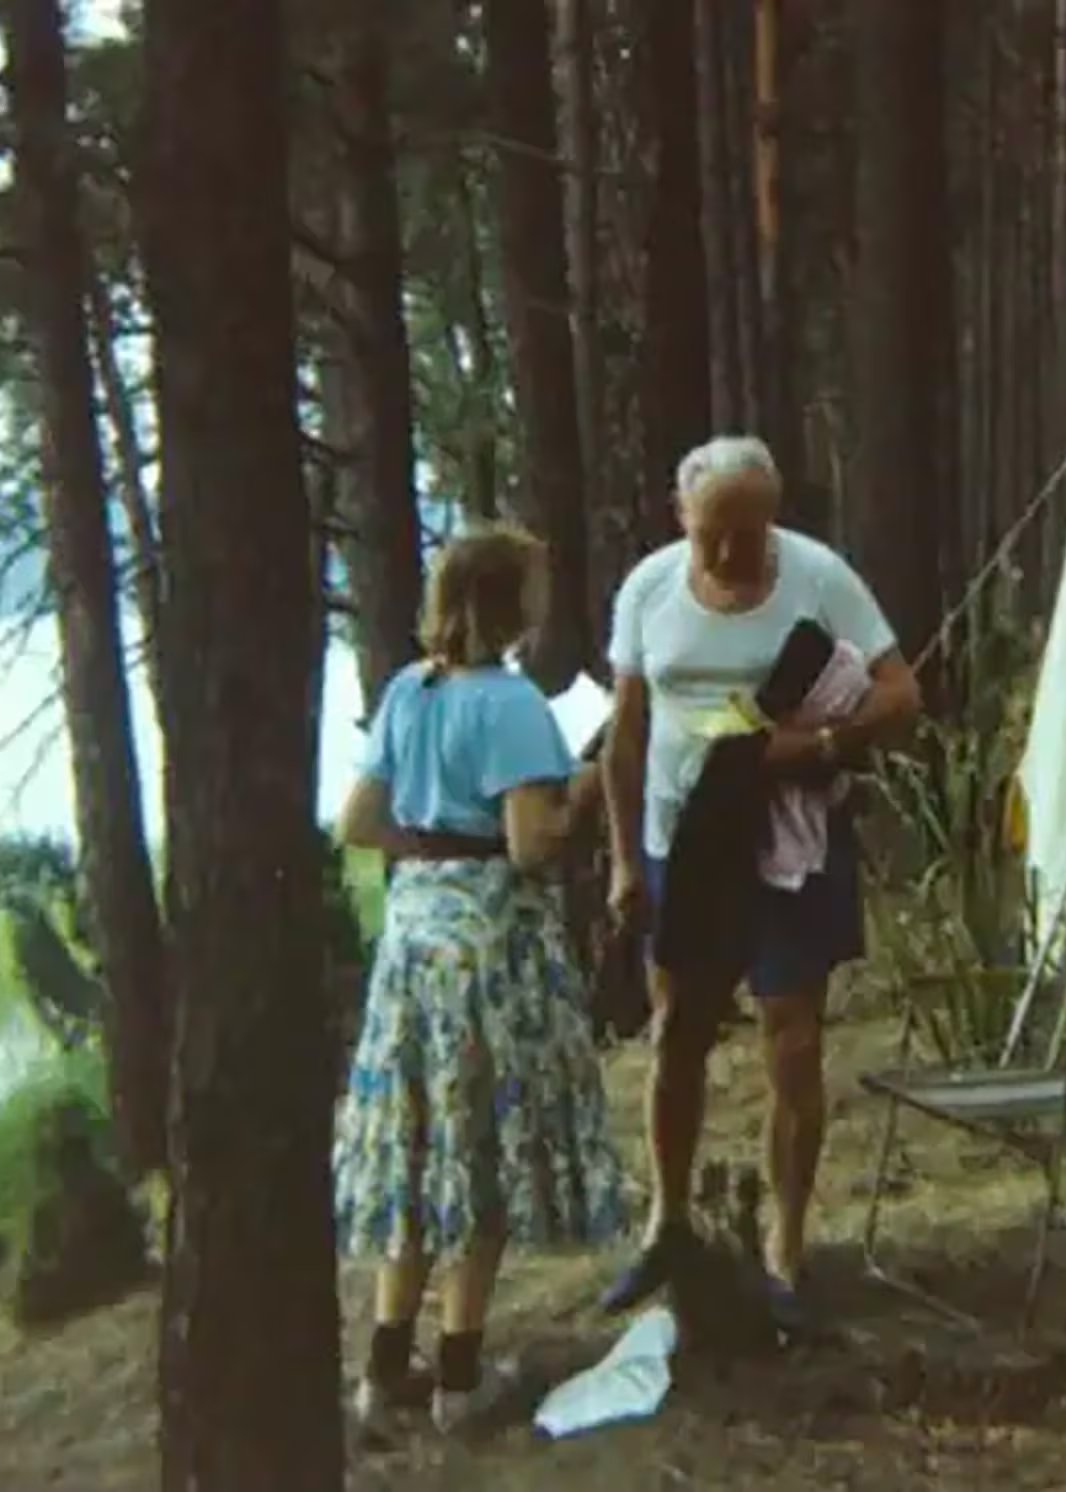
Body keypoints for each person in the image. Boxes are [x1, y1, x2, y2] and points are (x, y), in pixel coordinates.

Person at [599, 434, 923, 1331]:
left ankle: (785, 1242)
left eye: (752, 532)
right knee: (679, 1030)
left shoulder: (820, 577)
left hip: (788, 841)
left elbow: (903, 693)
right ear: (681, 517)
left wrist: (818, 748)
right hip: (682, 841)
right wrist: (626, 858)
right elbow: (626, 736)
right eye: (714, 535)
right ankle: (667, 1222)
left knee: (793, 1038)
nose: (734, 554)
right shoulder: (649, 589)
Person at [331, 524, 629, 1435]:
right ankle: (460, 1378)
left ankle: (385, 1370)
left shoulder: (408, 690)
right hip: (490, 953)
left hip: (414, 939)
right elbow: (530, 845)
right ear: (514, 605)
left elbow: (357, 819)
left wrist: (432, 846)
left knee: (421, 1151)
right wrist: (584, 783)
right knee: (481, 1154)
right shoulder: (510, 705)